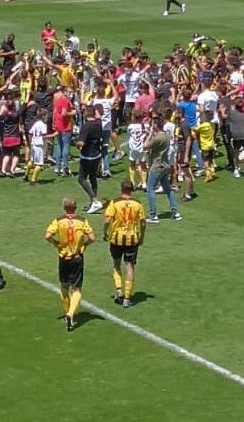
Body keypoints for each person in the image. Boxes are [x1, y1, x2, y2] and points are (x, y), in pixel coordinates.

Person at [45, 196, 96, 332]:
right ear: (75, 207)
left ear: (64, 208)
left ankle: (68, 313)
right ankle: (71, 314)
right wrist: (85, 245)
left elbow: (47, 236)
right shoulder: (82, 221)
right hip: (77, 257)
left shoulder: (58, 221)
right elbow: (92, 238)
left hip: (64, 257)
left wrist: (56, 244)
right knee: (77, 288)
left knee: (64, 286)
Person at [103, 180, 145, 308]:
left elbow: (107, 220)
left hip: (116, 238)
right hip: (132, 239)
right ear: (132, 190)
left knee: (116, 264)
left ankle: (119, 289)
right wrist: (141, 236)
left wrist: (105, 232)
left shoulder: (114, 203)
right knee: (130, 266)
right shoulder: (138, 204)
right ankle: (127, 298)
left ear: (121, 189)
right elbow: (143, 223)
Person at [144, 116, 182, 219]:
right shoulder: (166, 136)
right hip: (165, 165)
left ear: (155, 125)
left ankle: (153, 215)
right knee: (168, 189)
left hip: (156, 166)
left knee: (150, 189)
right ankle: (175, 212)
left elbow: (145, 146)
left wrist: (150, 134)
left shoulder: (157, 138)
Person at [76, 103, 107, 214]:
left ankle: (95, 200)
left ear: (85, 114)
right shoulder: (98, 123)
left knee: (81, 178)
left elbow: (81, 143)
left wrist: (76, 141)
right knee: (93, 178)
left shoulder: (86, 126)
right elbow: (98, 115)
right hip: (97, 155)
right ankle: (93, 203)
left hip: (87, 156)